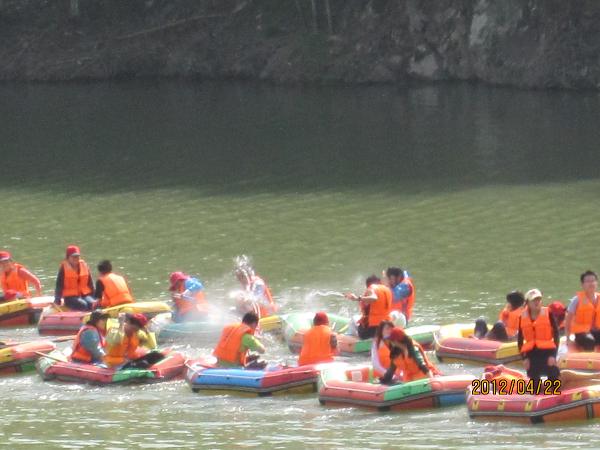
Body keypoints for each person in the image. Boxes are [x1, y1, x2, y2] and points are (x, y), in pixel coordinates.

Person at [517, 288, 560, 384]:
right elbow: (520, 339)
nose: (537, 302)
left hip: (548, 351)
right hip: (531, 353)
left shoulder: (548, 313)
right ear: (528, 302)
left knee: (553, 376)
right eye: (534, 300)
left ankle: (553, 391)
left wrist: (554, 355)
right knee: (534, 380)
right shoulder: (522, 317)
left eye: (538, 299)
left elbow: (556, 334)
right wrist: (524, 358)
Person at [345, 275, 392, 339]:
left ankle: (350, 338)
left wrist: (357, 298)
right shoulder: (387, 289)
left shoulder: (372, 288)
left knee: (353, 319)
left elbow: (374, 298)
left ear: (368, 284)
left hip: (371, 331)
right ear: (380, 282)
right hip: (386, 327)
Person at [565, 270, 600, 351]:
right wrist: (568, 338)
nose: (591, 283)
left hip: (597, 331)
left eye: (593, 281)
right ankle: (589, 357)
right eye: (588, 281)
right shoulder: (576, 300)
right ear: (582, 285)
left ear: (597, 283)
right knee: (589, 340)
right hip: (581, 333)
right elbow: (568, 321)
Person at [54, 245, 95, 311]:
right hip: (70, 297)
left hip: (84, 295)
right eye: (73, 256)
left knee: (92, 304)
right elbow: (59, 285)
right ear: (68, 257)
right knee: (83, 305)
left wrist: (94, 296)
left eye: (77, 256)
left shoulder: (84, 265)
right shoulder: (63, 268)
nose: (76, 258)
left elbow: (90, 283)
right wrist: (57, 300)